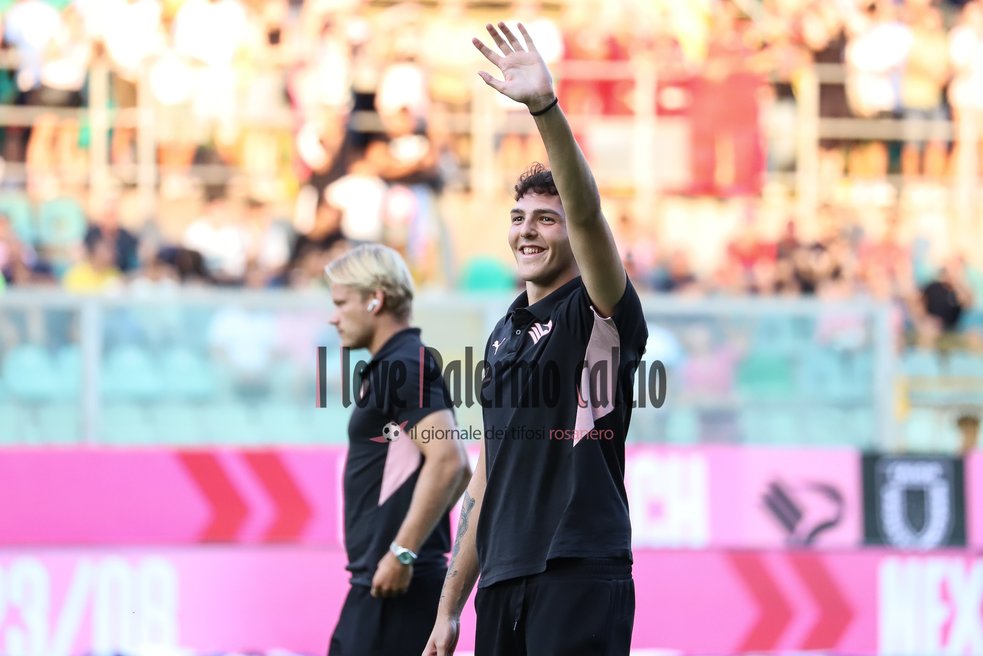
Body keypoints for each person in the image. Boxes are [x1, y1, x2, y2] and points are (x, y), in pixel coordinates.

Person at [424, 22, 648, 656]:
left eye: (547, 219)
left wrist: (544, 109)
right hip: (501, 581)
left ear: (574, 236)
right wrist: (449, 608)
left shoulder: (596, 311)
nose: (527, 230)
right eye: (518, 217)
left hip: (578, 571)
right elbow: (486, 477)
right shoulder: (503, 335)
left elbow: (589, 213)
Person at [324, 243, 472, 656]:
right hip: (382, 584)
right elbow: (456, 467)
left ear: (376, 299)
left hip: (397, 590)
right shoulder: (396, 363)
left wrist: (403, 552)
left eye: (341, 303)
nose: (333, 317)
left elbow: (451, 462)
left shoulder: (402, 364)